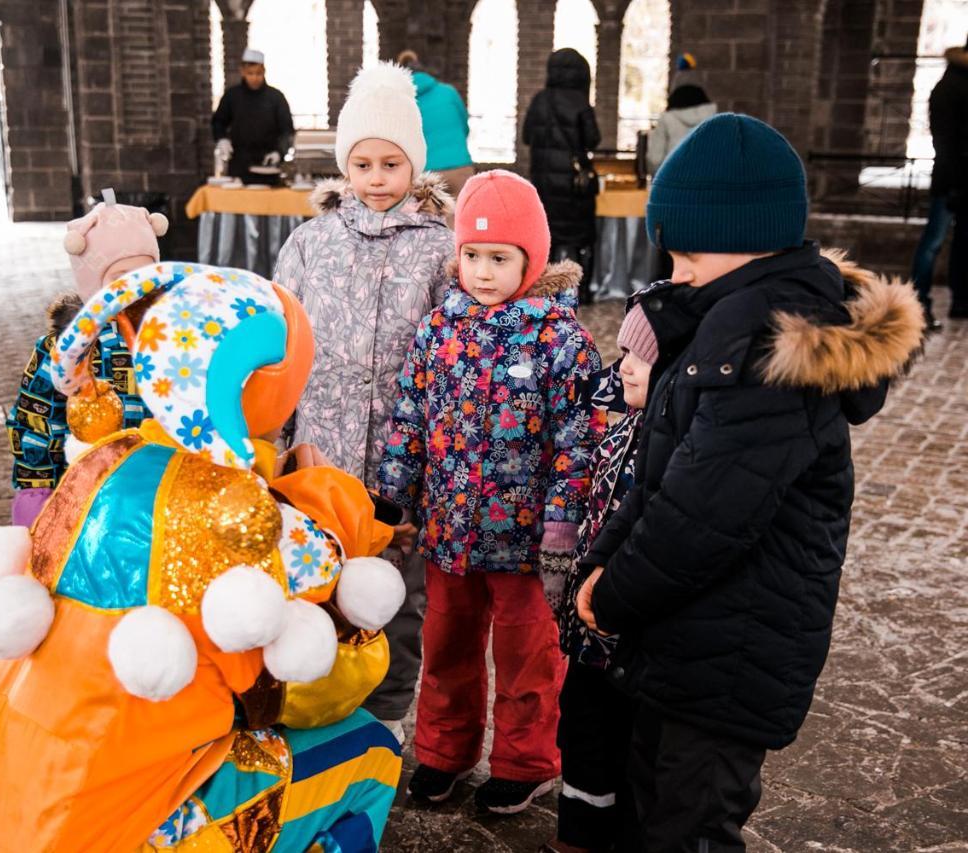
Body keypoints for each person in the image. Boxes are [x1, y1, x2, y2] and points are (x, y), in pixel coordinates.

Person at [0, 262, 408, 852]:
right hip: (108, 831)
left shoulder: (104, 458)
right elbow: (316, 689)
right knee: (368, 750)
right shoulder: (240, 513)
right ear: (260, 382)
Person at [575, 114, 924, 850]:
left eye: (687, 252)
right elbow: (659, 470)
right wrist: (601, 556)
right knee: (652, 803)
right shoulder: (718, 322)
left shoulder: (763, 348)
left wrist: (613, 592)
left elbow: (705, 513)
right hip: (687, 637)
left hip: (732, 649)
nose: (673, 271)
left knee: (691, 823)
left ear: (748, 240)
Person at [378, 170, 603, 814]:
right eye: (471, 256)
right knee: (446, 650)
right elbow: (409, 420)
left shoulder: (560, 340)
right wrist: (394, 501)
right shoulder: (438, 330)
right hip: (449, 536)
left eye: (499, 258)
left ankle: (525, 761)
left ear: (531, 258)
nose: (482, 271)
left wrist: (563, 526)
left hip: (525, 544)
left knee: (527, 657)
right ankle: (444, 753)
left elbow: (578, 441)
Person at [273, 62, 455, 743]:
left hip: (402, 461)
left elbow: (454, 350)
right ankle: (311, 699)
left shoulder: (442, 250)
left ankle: (389, 711)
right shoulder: (310, 244)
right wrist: (279, 433)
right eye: (362, 163)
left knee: (396, 588)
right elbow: (280, 341)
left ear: (414, 164)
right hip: (322, 449)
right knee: (314, 577)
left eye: (390, 162)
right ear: (345, 165)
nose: (376, 177)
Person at [547, 302, 673, 853]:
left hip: (633, 633)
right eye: (622, 352)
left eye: (641, 358)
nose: (624, 366)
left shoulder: (672, 446)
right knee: (583, 731)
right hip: (589, 633)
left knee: (629, 745)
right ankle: (578, 836)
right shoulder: (622, 430)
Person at [5, 193, 165, 526]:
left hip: (158, 488)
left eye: (145, 274)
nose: (134, 287)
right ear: (94, 283)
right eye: (120, 276)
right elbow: (37, 419)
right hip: (85, 493)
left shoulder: (169, 337)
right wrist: (36, 489)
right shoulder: (66, 347)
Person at [523, 48, 600, 298]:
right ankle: (584, 290)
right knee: (580, 238)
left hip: (543, 181)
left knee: (548, 234)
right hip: (573, 186)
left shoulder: (539, 101)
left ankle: (545, 287)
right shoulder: (580, 103)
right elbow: (593, 140)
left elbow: (526, 136)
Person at [910, 38, 968, 329]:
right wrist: (955, 183)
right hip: (950, 180)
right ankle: (918, 304)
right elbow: (946, 142)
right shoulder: (951, 87)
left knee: (962, 244)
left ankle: (960, 300)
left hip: (959, 179)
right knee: (933, 243)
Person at [397, 49, 474, 219]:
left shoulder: (402, 101)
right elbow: (465, 128)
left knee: (428, 231)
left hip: (426, 175)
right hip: (459, 167)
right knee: (462, 226)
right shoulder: (448, 92)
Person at [211, 48, 295, 186]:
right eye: (250, 73)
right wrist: (222, 139)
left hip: (268, 166)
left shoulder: (276, 97)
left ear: (264, 72)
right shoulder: (232, 96)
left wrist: (279, 152)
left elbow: (287, 131)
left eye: (258, 73)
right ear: (243, 72)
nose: (254, 78)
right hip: (238, 164)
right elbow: (218, 122)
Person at [646, 54, 717, 175]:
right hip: (706, 180)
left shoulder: (667, 119)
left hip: (673, 180)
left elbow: (655, 158)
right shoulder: (713, 119)